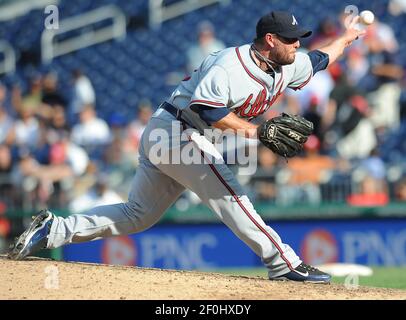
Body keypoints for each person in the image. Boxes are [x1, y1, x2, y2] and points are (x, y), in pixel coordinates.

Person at [9, 11, 365, 283]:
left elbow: (320, 59)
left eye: (299, 38)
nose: (297, 44)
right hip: (176, 132)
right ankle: (283, 263)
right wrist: (257, 133)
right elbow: (206, 110)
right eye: (291, 39)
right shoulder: (229, 66)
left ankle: (53, 229)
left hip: (179, 136)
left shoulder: (286, 64)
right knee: (231, 194)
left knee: (138, 215)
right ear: (270, 39)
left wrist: (347, 38)